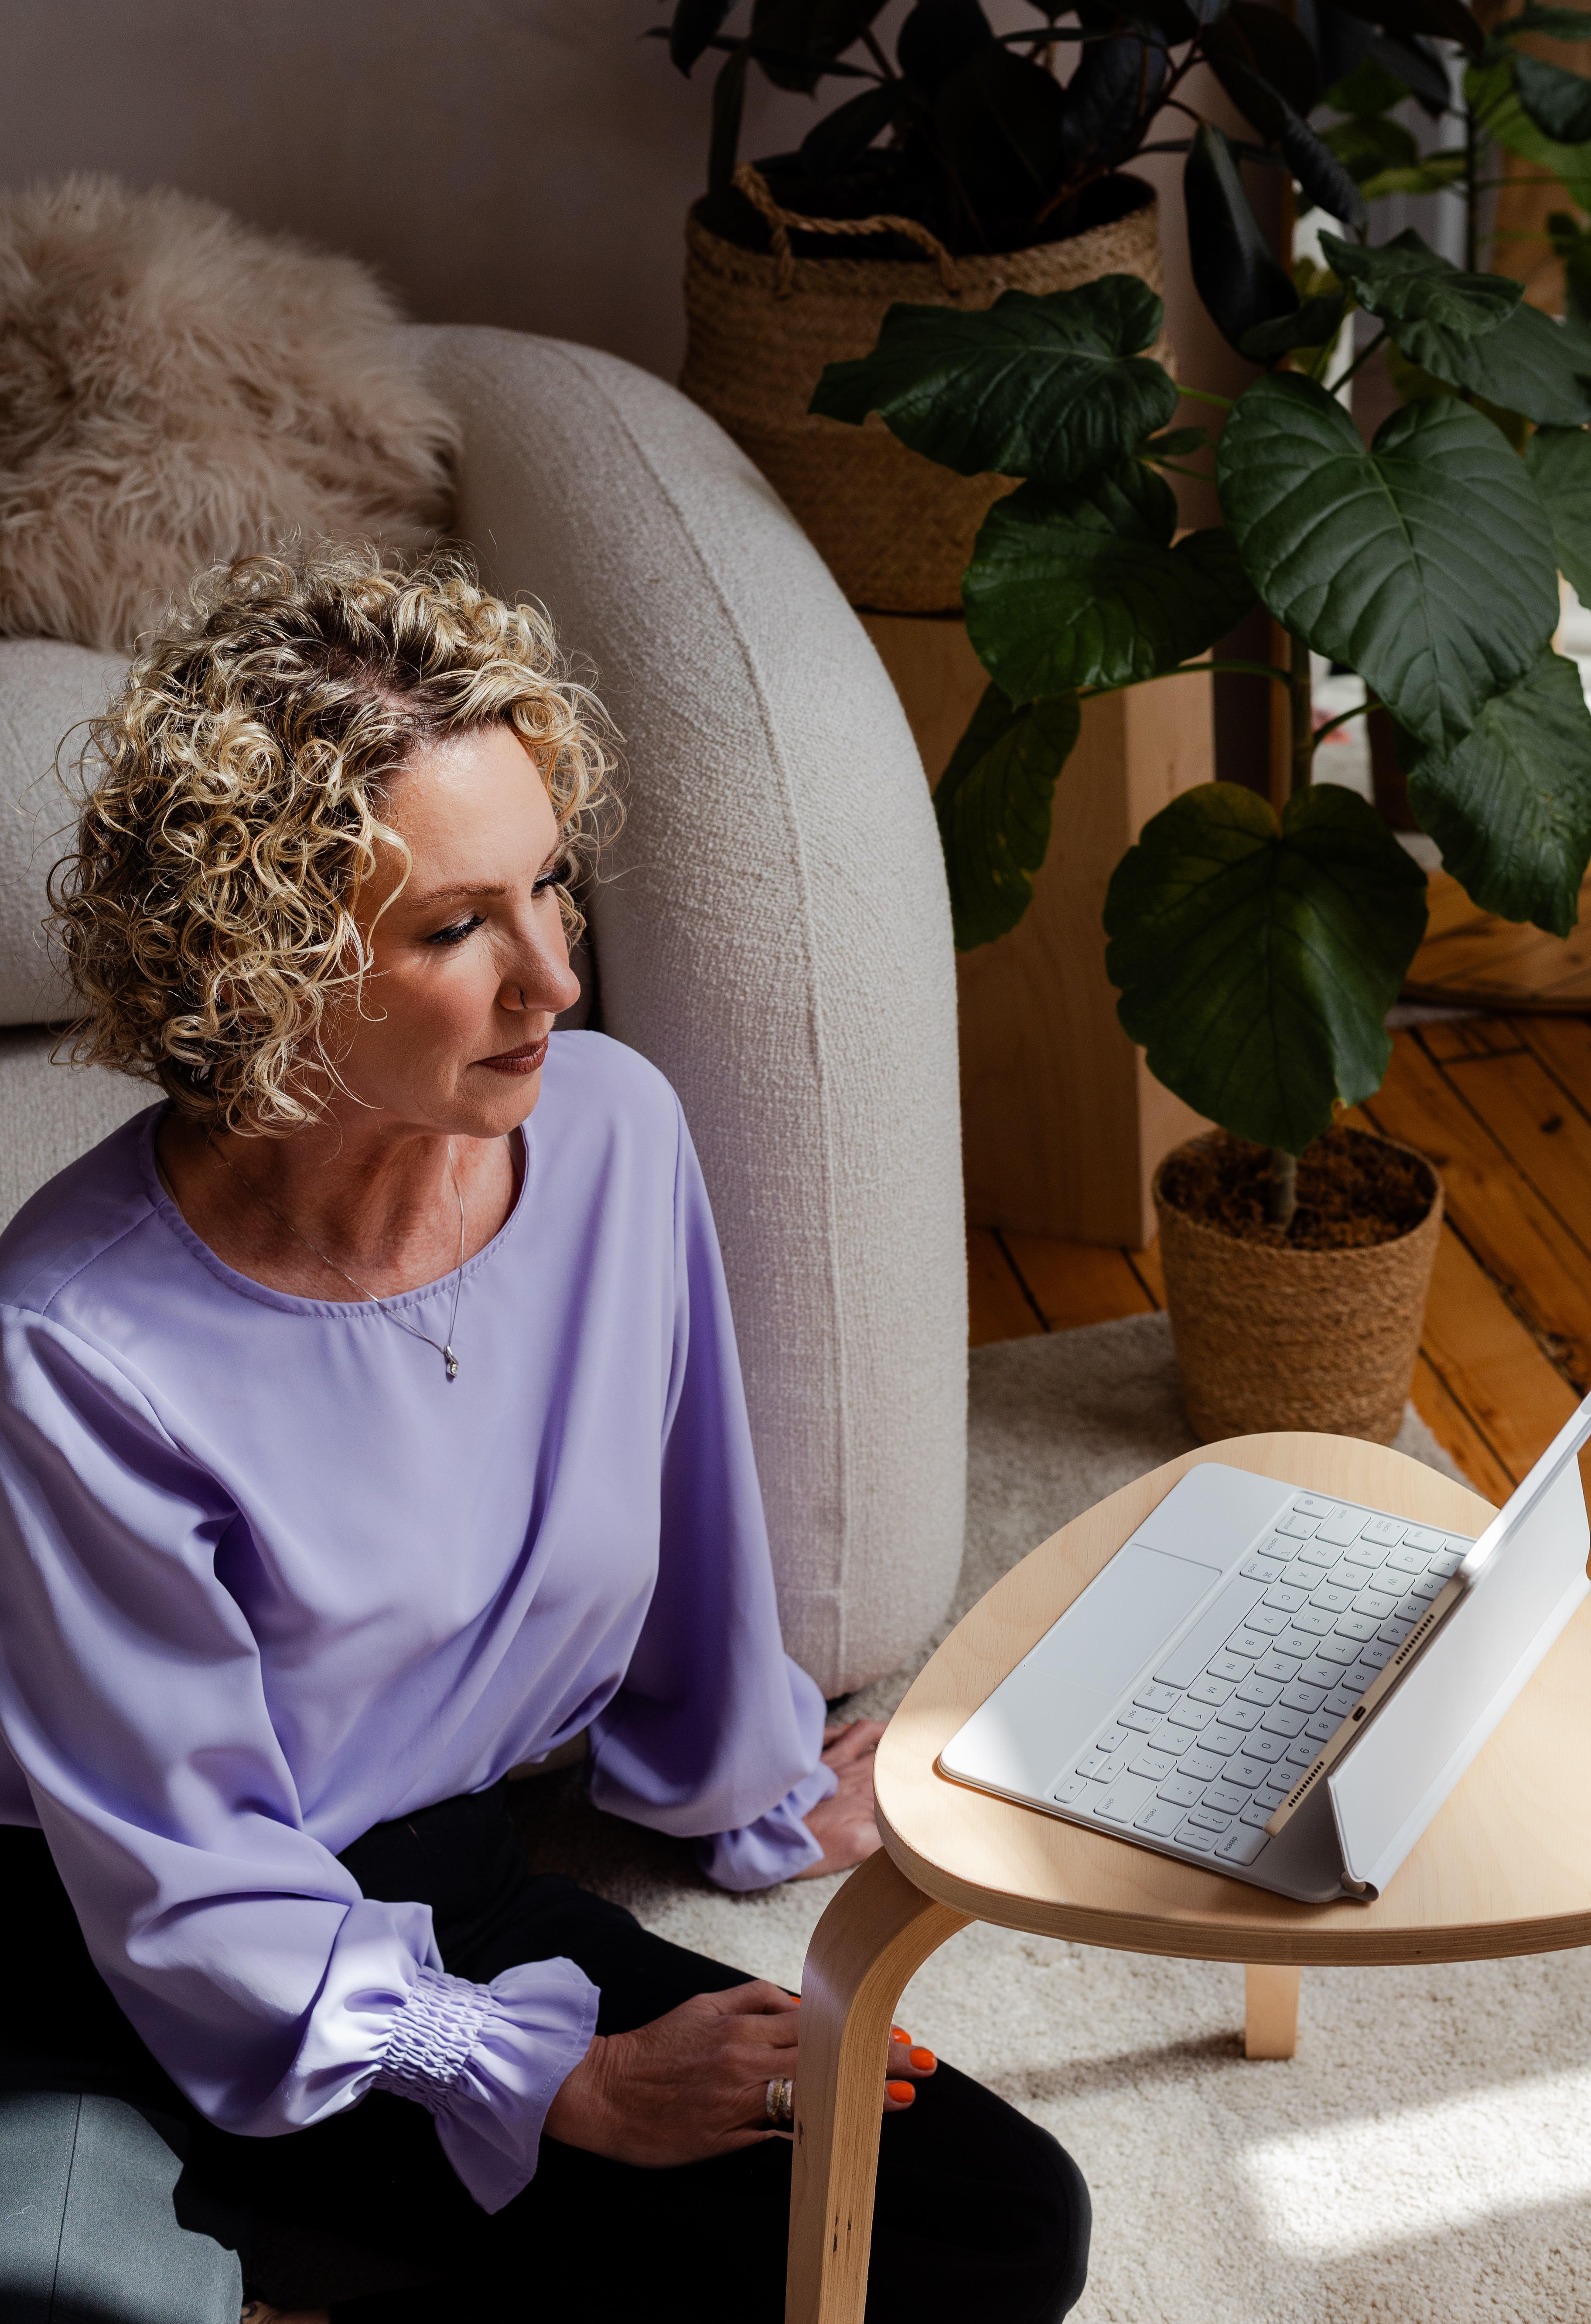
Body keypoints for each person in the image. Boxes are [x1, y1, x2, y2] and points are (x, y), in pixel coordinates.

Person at [0, 549, 1090, 2324]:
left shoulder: (607, 1140)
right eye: (457, 929)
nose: (553, 981)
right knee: (80, 2301)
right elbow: (183, 1893)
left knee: (985, 2221)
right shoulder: (73, 1349)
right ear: (266, 968)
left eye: (552, 889)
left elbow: (691, 1522)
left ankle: (346, 2233)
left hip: (431, 1873)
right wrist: (555, 2084)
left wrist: (752, 1780)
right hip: (103, 1920)